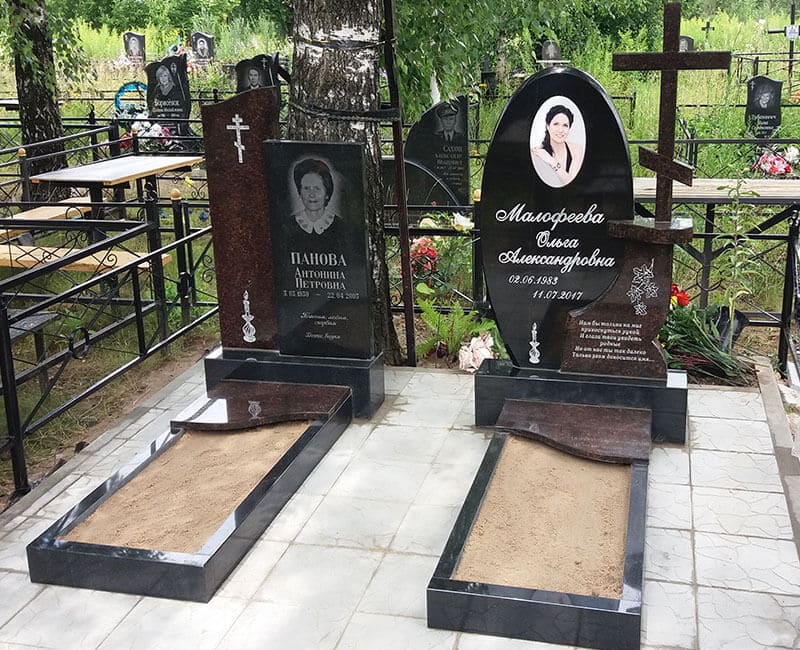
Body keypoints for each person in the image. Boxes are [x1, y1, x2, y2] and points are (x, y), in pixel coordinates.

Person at [530, 104, 585, 187]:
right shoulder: (537, 153)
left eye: (565, 125)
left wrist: (552, 161)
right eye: (556, 124)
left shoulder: (576, 150)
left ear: (569, 128)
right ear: (548, 126)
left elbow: (572, 184)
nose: (560, 130)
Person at [292, 158, 337, 235]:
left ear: (327, 193)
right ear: (300, 193)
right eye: (306, 188)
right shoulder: (286, 226)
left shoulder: (342, 227)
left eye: (317, 188)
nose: (312, 194)